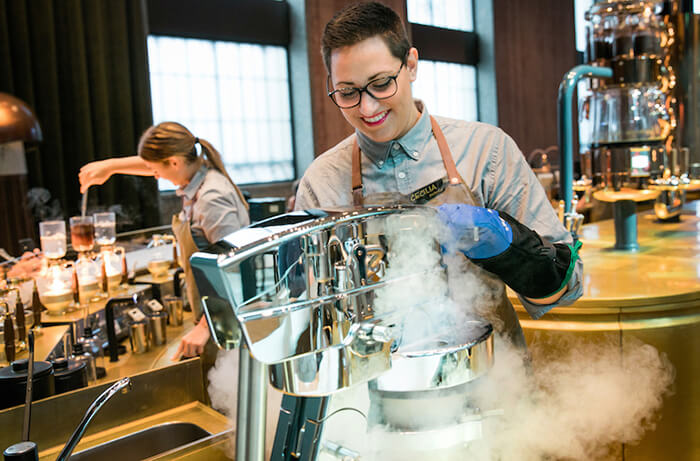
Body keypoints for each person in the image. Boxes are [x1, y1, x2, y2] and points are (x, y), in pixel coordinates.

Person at [294, 2, 582, 348]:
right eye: (348, 92)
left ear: (411, 65)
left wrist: (508, 245)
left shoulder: (485, 150)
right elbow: (308, 317)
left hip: (495, 384)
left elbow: (569, 287)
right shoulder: (320, 183)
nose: (367, 108)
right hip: (378, 392)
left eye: (381, 84)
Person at [79, 121, 250, 359]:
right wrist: (111, 167)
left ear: (174, 162)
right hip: (215, 318)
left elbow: (237, 266)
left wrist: (205, 328)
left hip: (226, 324)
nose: (154, 174)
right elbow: (157, 164)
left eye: (155, 169)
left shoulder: (211, 198)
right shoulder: (196, 175)